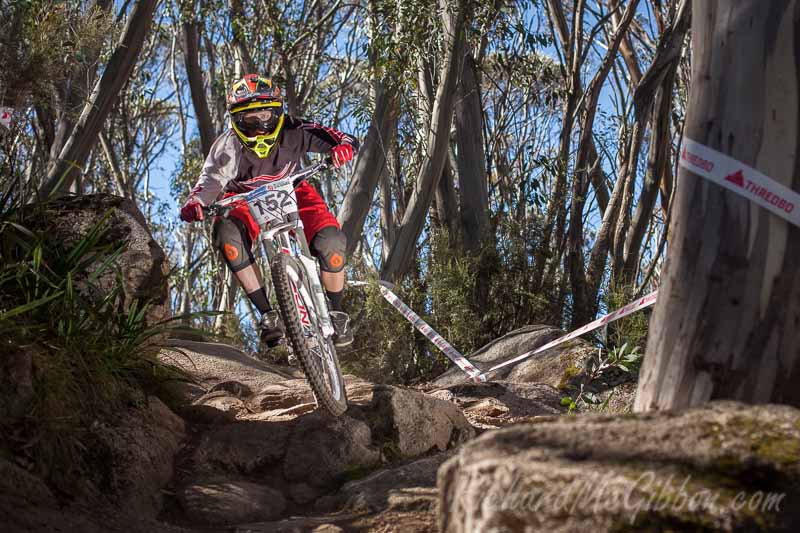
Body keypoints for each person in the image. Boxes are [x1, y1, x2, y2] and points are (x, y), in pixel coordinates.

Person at [179, 74, 356, 350]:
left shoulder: (295, 129)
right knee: (227, 236)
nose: (261, 127)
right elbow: (208, 182)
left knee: (332, 243)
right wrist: (196, 203)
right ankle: (268, 315)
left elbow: (342, 138)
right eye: (250, 120)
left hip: (294, 189)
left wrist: (343, 148)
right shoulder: (226, 148)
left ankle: (336, 312)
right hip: (243, 199)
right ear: (236, 121)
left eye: (266, 116)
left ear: (279, 113)